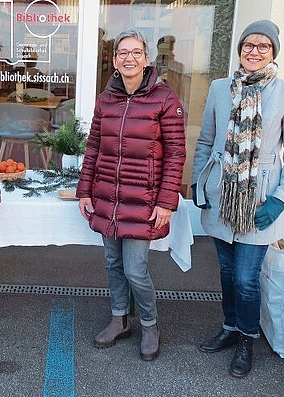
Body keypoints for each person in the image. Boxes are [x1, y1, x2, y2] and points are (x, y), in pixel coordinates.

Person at [191, 20, 284, 378]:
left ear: (273, 52)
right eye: (248, 45)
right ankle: (229, 326)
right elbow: (206, 141)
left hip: (259, 203)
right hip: (222, 197)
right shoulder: (220, 88)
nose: (254, 51)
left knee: (245, 278)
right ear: (240, 49)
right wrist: (199, 183)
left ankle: (247, 338)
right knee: (226, 272)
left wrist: (280, 200)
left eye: (263, 46)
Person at [76, 28, 186, 361]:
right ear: (114, 61)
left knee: (135, 268)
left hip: (144, 199)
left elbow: (177, 153)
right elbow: (94, 146)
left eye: (136, 52)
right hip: (108, 195)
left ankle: (150, 324)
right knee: (112, 263)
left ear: (146, 59)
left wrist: (167, 201)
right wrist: (85, 190)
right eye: (123, 53)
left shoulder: (164, 98)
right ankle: (119, 318)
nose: (129, 58)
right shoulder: (106, 98)